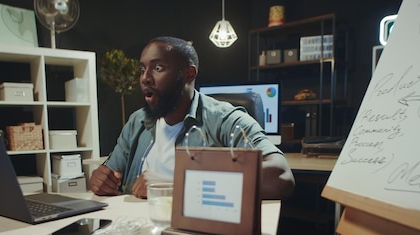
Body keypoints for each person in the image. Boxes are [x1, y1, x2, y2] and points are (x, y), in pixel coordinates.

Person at [90, 36, 295, 199]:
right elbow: (110, 173)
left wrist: (177, 184)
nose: (145, 78)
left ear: (188, 74)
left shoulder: (224, 119)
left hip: (196, 233)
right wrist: (101, 178)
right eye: (143, 69)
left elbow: (281, 177)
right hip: (134, 232)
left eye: (158, 68)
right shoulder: (137, 121)